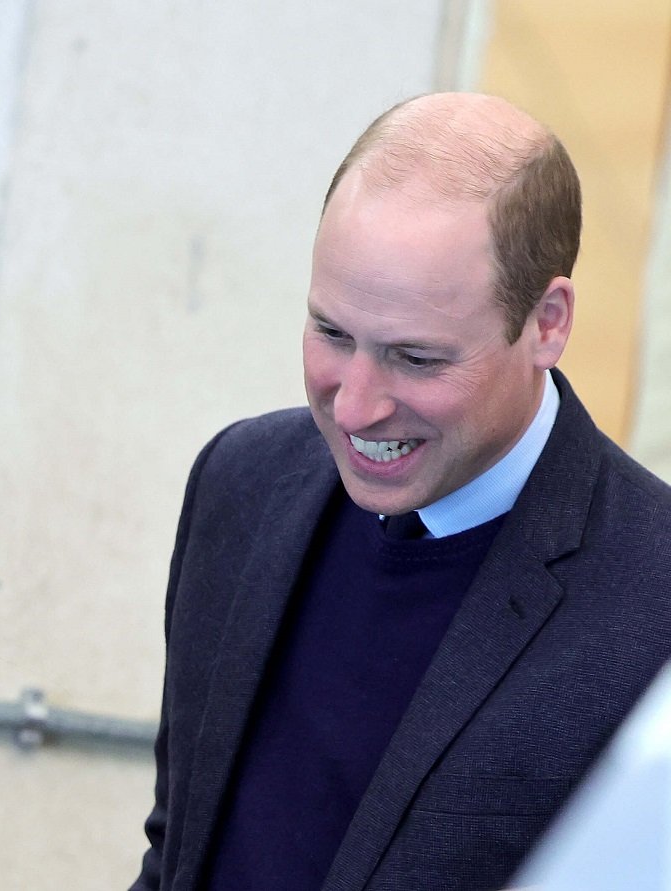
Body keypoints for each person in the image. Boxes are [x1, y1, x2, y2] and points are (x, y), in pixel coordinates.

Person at [132, 92, 671, 891]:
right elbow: (182, 847)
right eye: (332, 333)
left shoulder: (654, 597)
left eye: (417, 358)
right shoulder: (239, 484)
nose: (353, 406)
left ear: (548, 323)